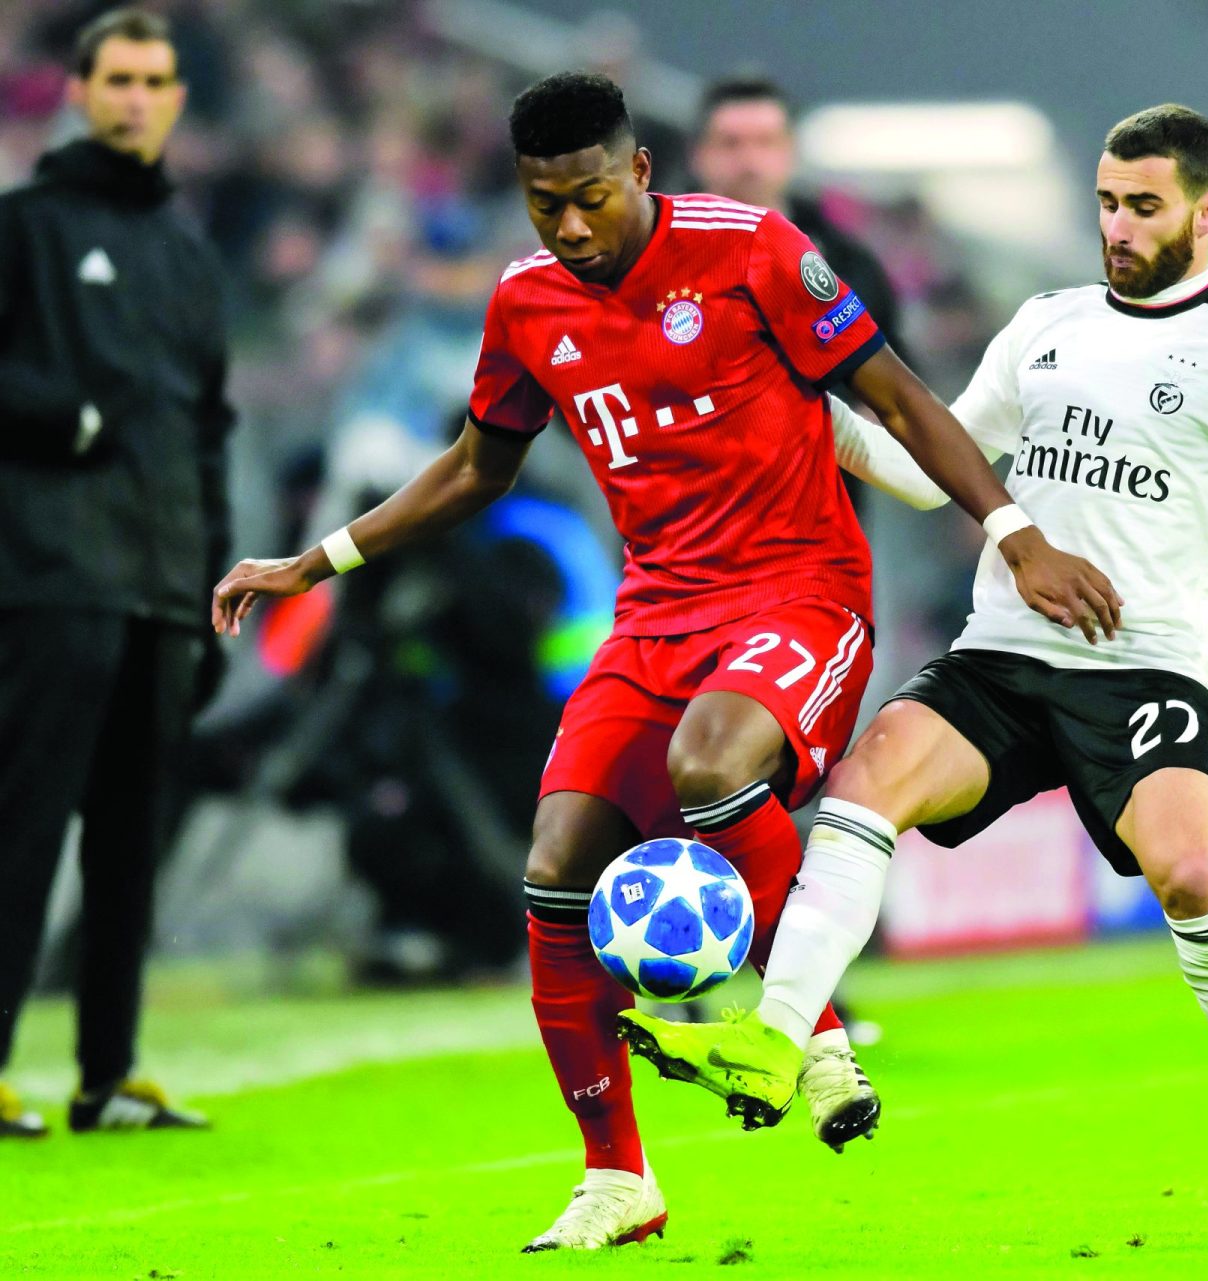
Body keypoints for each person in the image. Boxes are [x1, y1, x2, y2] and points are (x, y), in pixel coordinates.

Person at [210, 72, 1120, 1253]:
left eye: (590, 197)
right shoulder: (529, 302)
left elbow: (898, 399)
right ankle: (618, 1180)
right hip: (656, 617)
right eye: (546, 207)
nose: (572, 228)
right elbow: (477, 466)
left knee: (712, 765)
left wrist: (1015, 535)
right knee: (554, 873)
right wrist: (317, 561)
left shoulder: (757, 254)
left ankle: (815, 1034)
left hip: (801, 592)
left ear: (638, 171)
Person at [616, 104, 1208, 1237]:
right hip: (1003, 656)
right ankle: (778, 1039)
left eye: (1143, 208)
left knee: (1188, 878)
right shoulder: (1044, 324)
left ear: (1206, 211)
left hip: (1145, 673)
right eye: (1105, 205)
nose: (1117, 228)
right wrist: (802, 409)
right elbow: (931, 466)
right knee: (867, 783)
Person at [0, 8, 231, 1140]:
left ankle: (107, 1073)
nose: (137, 97)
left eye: (155, 80)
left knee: (130, 842)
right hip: (48, 578)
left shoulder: (189, 254)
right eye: (118, 78)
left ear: (178, 97)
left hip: (161, 584)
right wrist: (70, 418)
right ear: (80, 90)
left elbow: (210, 427)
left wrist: (214, 581)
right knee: (20, 828)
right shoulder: (24, 229)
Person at [689, 75, 908, 372]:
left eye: (765, 142)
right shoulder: (655, 260)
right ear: (699, 154)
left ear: (790, 151)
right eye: (730, 144)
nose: (749, 161)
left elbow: (898, 370)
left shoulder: (847, 264)